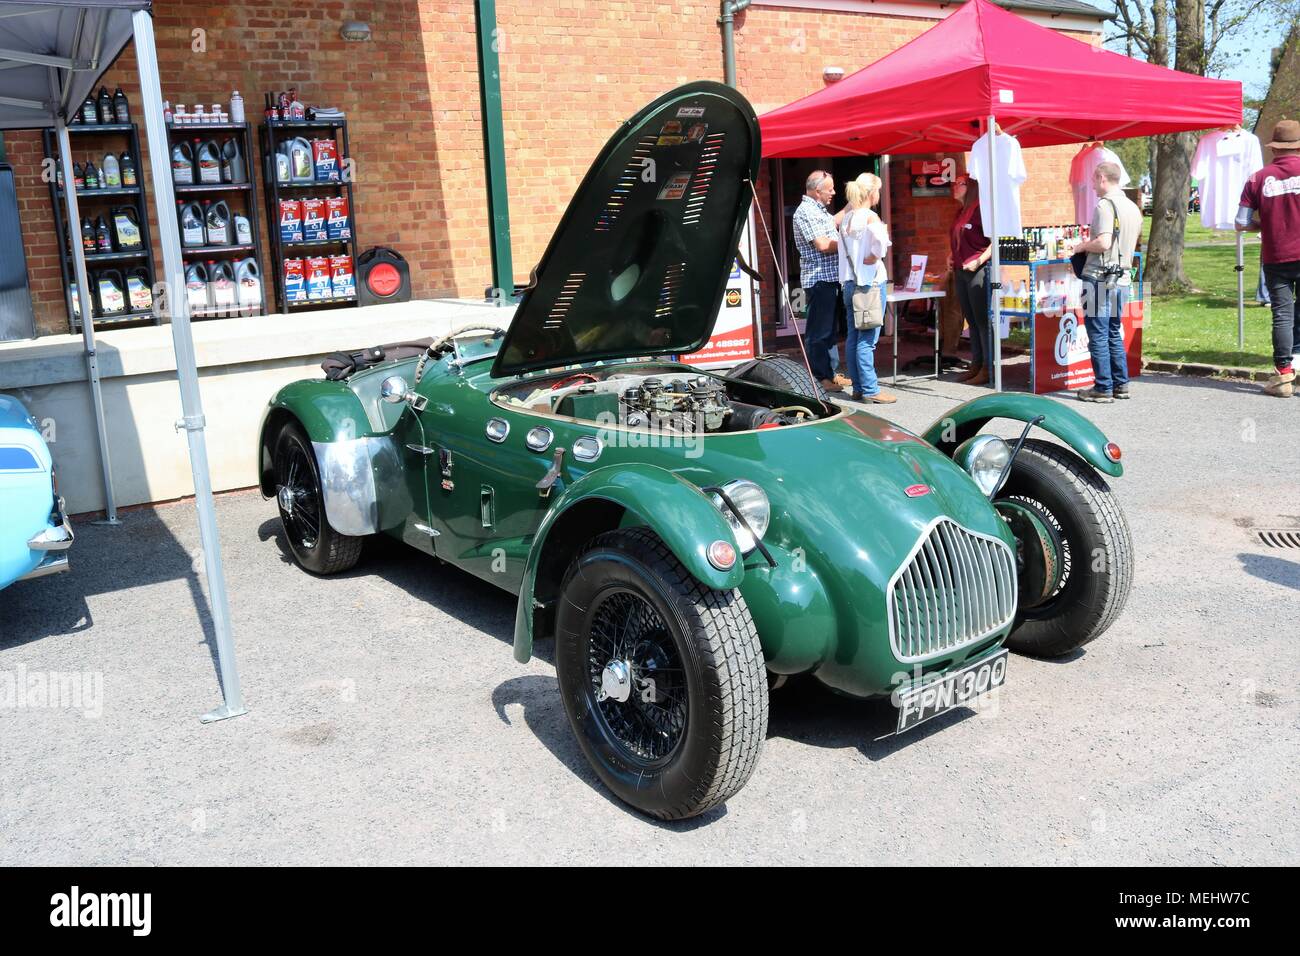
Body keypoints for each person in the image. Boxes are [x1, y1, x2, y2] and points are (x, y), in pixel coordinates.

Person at [1237, 120, 1300, 398]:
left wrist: (1265, 224)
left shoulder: (1257, 178)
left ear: (1274, 148)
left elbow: (1241, 222)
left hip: (1276, 257)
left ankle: (1283, 377)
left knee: (1282, 316)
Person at [1073, 161, 1142, 403]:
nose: (1092, 186)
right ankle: (1120, 384)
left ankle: (1103, 387)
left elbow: (1103, 242)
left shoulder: (1104, 206)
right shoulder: (1133, 208)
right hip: (1122, 278)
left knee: (1098, 334)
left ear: (1102, 178)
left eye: (1093, 180)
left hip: (1099, 277)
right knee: (1113, 332)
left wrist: (1080, 246)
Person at [836, 173, 897, 403]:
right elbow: (881, 244)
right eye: (878, 190)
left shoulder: (848, 217)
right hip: (870, 284)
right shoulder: (870, 217)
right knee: (867, 340)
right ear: (872, 193)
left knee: (853, 337)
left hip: (850, 283)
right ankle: (871, 390)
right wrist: (874, 255)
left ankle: (859, 387)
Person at [792, 170, 844, 393]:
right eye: (829, 189)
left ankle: (831, 373)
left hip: (829, 278)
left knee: (830, 330)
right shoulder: (805, 211)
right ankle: (820, 377)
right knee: (819, 331)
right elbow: (823, 245)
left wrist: (854, 204)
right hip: (819, 279)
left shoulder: (817, 210)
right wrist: (851, 244)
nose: (833, 192)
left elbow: (831, 223)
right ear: (816, 191)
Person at [949, 174, 992, 385]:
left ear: (972, 186)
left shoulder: (981, 210)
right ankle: (976, 364)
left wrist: (979, 260)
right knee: (972, 321)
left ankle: (987, 368)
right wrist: (952, 255)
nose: (954, 187)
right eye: (954, 183)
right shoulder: (961, 211)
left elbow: (997, 241)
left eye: (960, 184)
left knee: (982, 321)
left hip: (977, 270)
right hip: (960, 271)